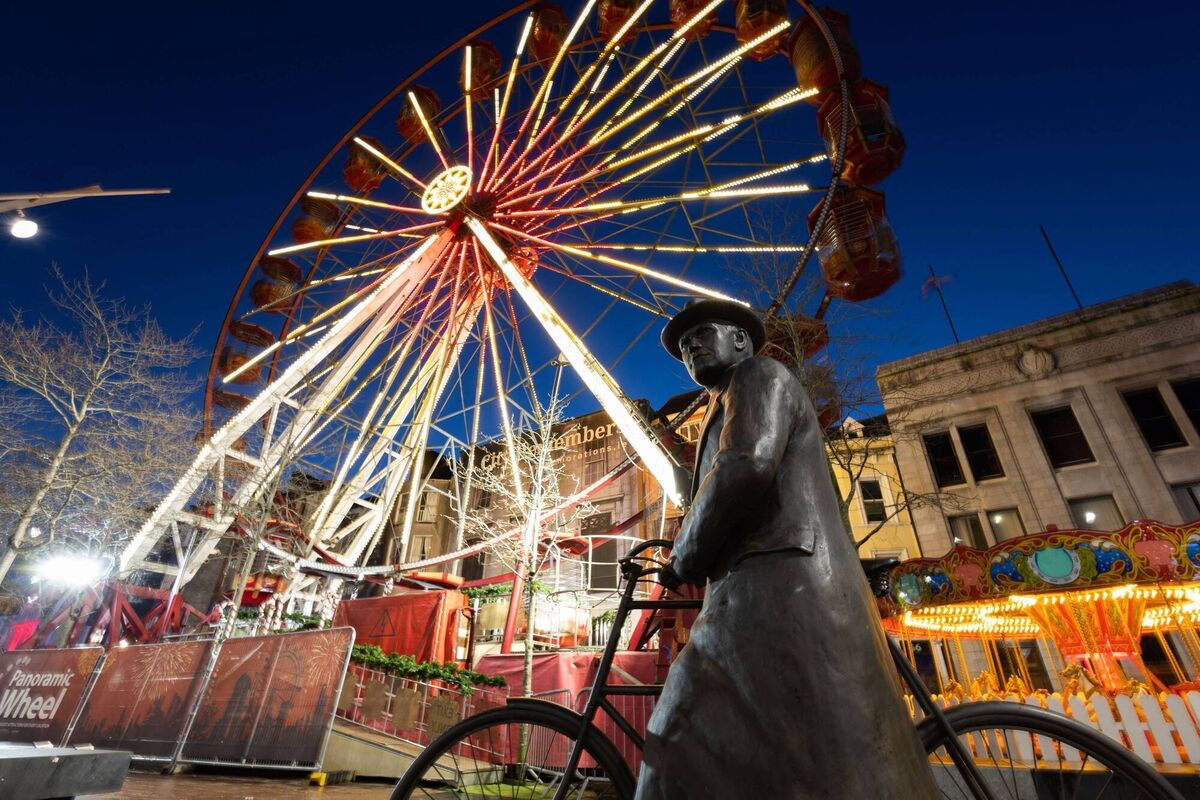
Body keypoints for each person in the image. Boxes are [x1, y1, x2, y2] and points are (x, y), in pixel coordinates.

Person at [634, 298, 937, 799]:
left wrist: (683, 554)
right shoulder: (726, 401)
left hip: (777, 584)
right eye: (684, 346)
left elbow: (744, 466)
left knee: (678, 729)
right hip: (763, 586)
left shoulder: (759, 374)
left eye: (702, 334)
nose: (691, 348)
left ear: (740, 339)